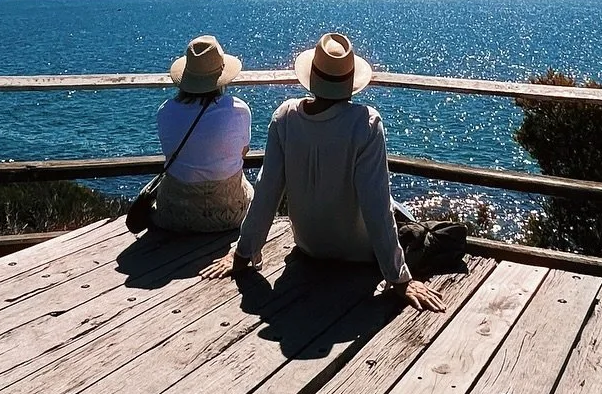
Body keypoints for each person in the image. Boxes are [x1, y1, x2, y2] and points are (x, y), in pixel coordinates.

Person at [206, 32, 444, 311]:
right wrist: (400, 279)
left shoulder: (285, 117)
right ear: (350, 81)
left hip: (310, 246)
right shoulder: (365, 123)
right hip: (359, 252)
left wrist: (242, 254)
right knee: (412, 218)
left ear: (313, 76)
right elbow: (376, 206)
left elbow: (267, 192)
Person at [150, 34, 254, 232]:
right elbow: (243, 152)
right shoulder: (239, 110)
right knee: (250, 189)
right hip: (230, 215)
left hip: (176, 216)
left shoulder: (165, 111)